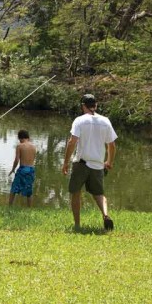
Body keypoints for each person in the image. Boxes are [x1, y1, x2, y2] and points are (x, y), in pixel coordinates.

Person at [62, 94, 117, 230]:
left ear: (83, 106)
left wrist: (65, 162)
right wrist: (109, 161)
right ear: (96, 105)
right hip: (98, 164)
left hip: (81, 163)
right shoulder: (105, 121)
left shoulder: (79, 120)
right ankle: (105, 214)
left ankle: (77, 225)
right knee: (99, 194)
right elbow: (112, 145)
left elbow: (72, 142)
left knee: (76, 192)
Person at [8, 130, 37, 207]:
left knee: (14, 188)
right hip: (31, 169)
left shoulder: (20, 146)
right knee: (29, 190)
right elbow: (33, 158)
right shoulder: (34, 147)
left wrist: (13, 169)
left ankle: (9, 206)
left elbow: (17, 160)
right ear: (28, 137)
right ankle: (29, 208)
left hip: (23, 169)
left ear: (20, 138)